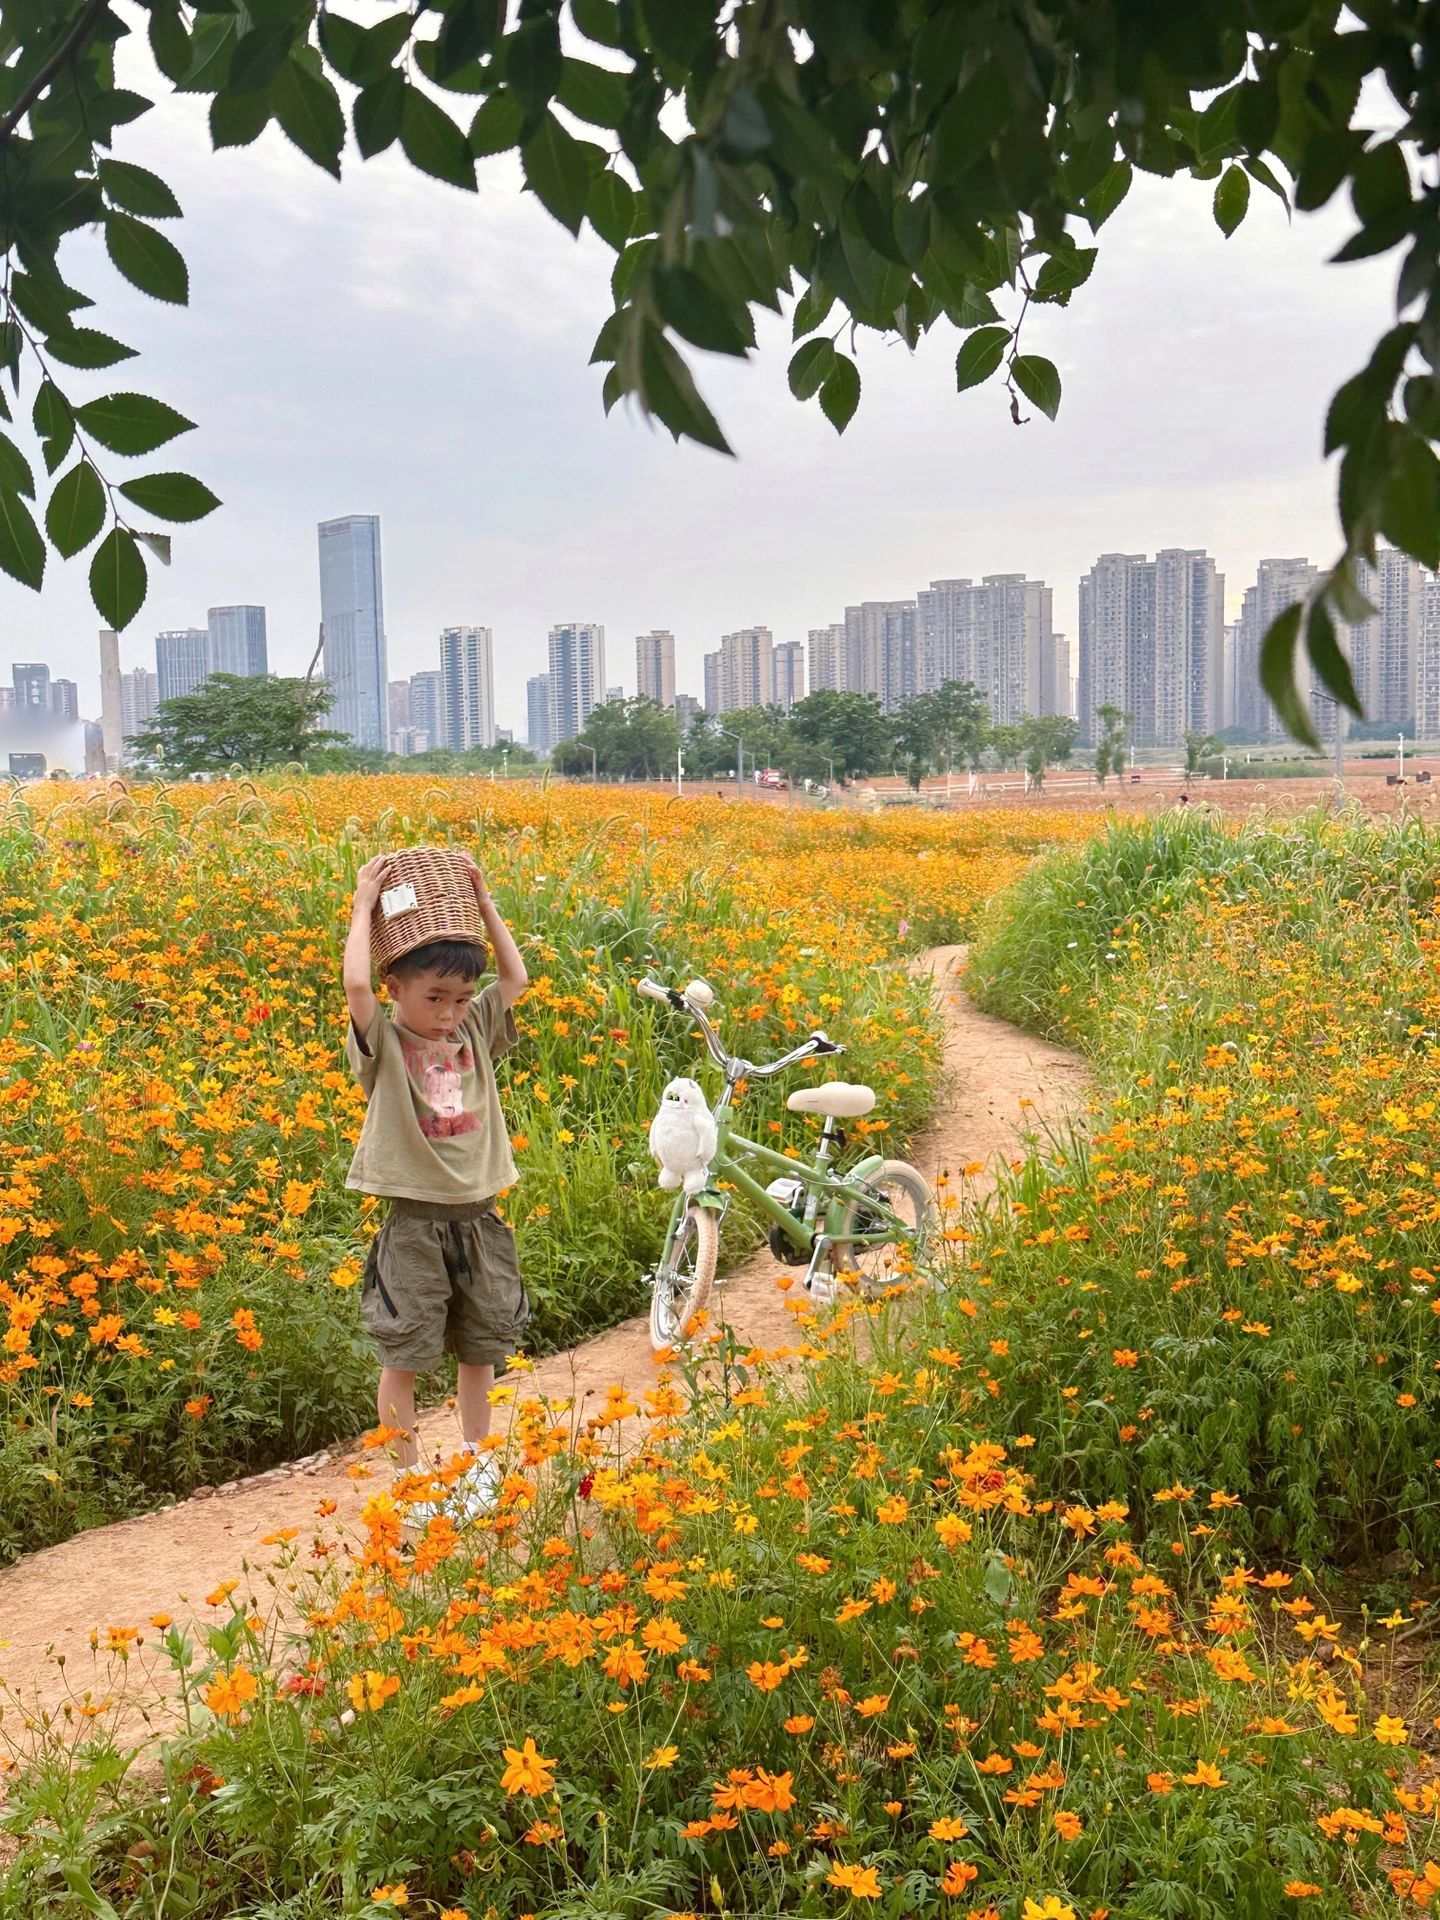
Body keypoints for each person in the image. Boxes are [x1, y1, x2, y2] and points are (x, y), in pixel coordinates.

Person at [341, 850, 530, 1522]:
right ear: (398, 988)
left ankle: (478, 1466)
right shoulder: (385, 1045)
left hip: (481, 1218)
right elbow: (356, 989)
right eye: (434, 998)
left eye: (457, 999)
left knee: (481, 1350)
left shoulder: (475, 1031)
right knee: (407, 1354)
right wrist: (364, 904)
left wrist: (483, 904)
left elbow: (515, 977)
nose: (449, 1012)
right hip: (414, 1225)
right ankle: (411, 1482)